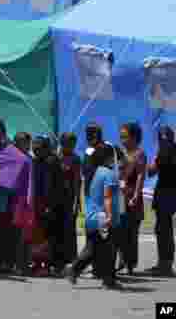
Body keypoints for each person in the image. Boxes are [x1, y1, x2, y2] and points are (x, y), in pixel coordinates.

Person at [68, 144, 121, 290]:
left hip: (92, 216)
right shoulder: (109, 174)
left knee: (94, 248)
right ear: (109, 158)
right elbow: (107, 196)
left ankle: (75, 270)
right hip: (103, 218)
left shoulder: (95, 172)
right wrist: (110, 216)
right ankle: (107, 280)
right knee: (108, 250)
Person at [0, 118, 29, 275]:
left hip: (1, 200)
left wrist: (3, 179)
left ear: (3, 134)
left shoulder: (8, 150)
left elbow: (23, 162)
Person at [29, 135, 63, 277]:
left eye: (38, 148)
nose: (35, 150)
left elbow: (51, 186)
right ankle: (37, 263)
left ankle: (46, 265)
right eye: (34, 148)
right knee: (37, 235)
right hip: (36, 203)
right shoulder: (36, 161)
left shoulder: (51, 161)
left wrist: (49, 205)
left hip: (47, 204)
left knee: (47, 235)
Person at [117, 122, 146, 276]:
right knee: (120, 229)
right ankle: (121, 260)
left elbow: (141, 175)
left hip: (132, 197)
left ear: (134, 138)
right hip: (120, 197)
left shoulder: (139, 154)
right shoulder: (120, 153)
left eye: (125, 137)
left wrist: (136, 194)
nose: (122, 140)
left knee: (131, 231)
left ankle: (130, 263)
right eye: (121, 136)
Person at [148, 125, 176, 276]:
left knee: (163, 230)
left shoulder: (164, 151)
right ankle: (166, 263)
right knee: (166, 229)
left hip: (164, 194)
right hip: (172, 194)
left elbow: (151, 171)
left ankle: (164, 265)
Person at [56, 132, 82, 268]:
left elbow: (77, 182)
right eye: (67, 143)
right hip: (56, 198)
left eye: (72, 144)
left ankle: (72, 259)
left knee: (70, 230)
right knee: (58, 229)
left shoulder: (76, 159)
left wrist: (76, 202)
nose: (70, 146)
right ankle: (58, 259)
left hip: (70, 198)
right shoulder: (56, 157)